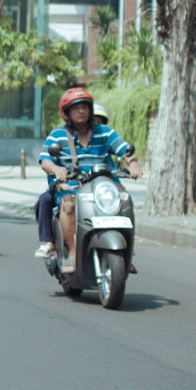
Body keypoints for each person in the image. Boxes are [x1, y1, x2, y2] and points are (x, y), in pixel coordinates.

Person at [36, 88, 141, 271]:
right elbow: (45, 159)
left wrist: (133, 164)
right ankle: (73, 253)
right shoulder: (58, 134)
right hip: (72, 185)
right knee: (68, 204)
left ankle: (126, 253)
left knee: (125, 201)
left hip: (102, 186)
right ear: (67, 112)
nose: (81, 111)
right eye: (76, 108)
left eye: (85, 107)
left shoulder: (104, 132)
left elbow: (125, 150)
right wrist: (56, 169)